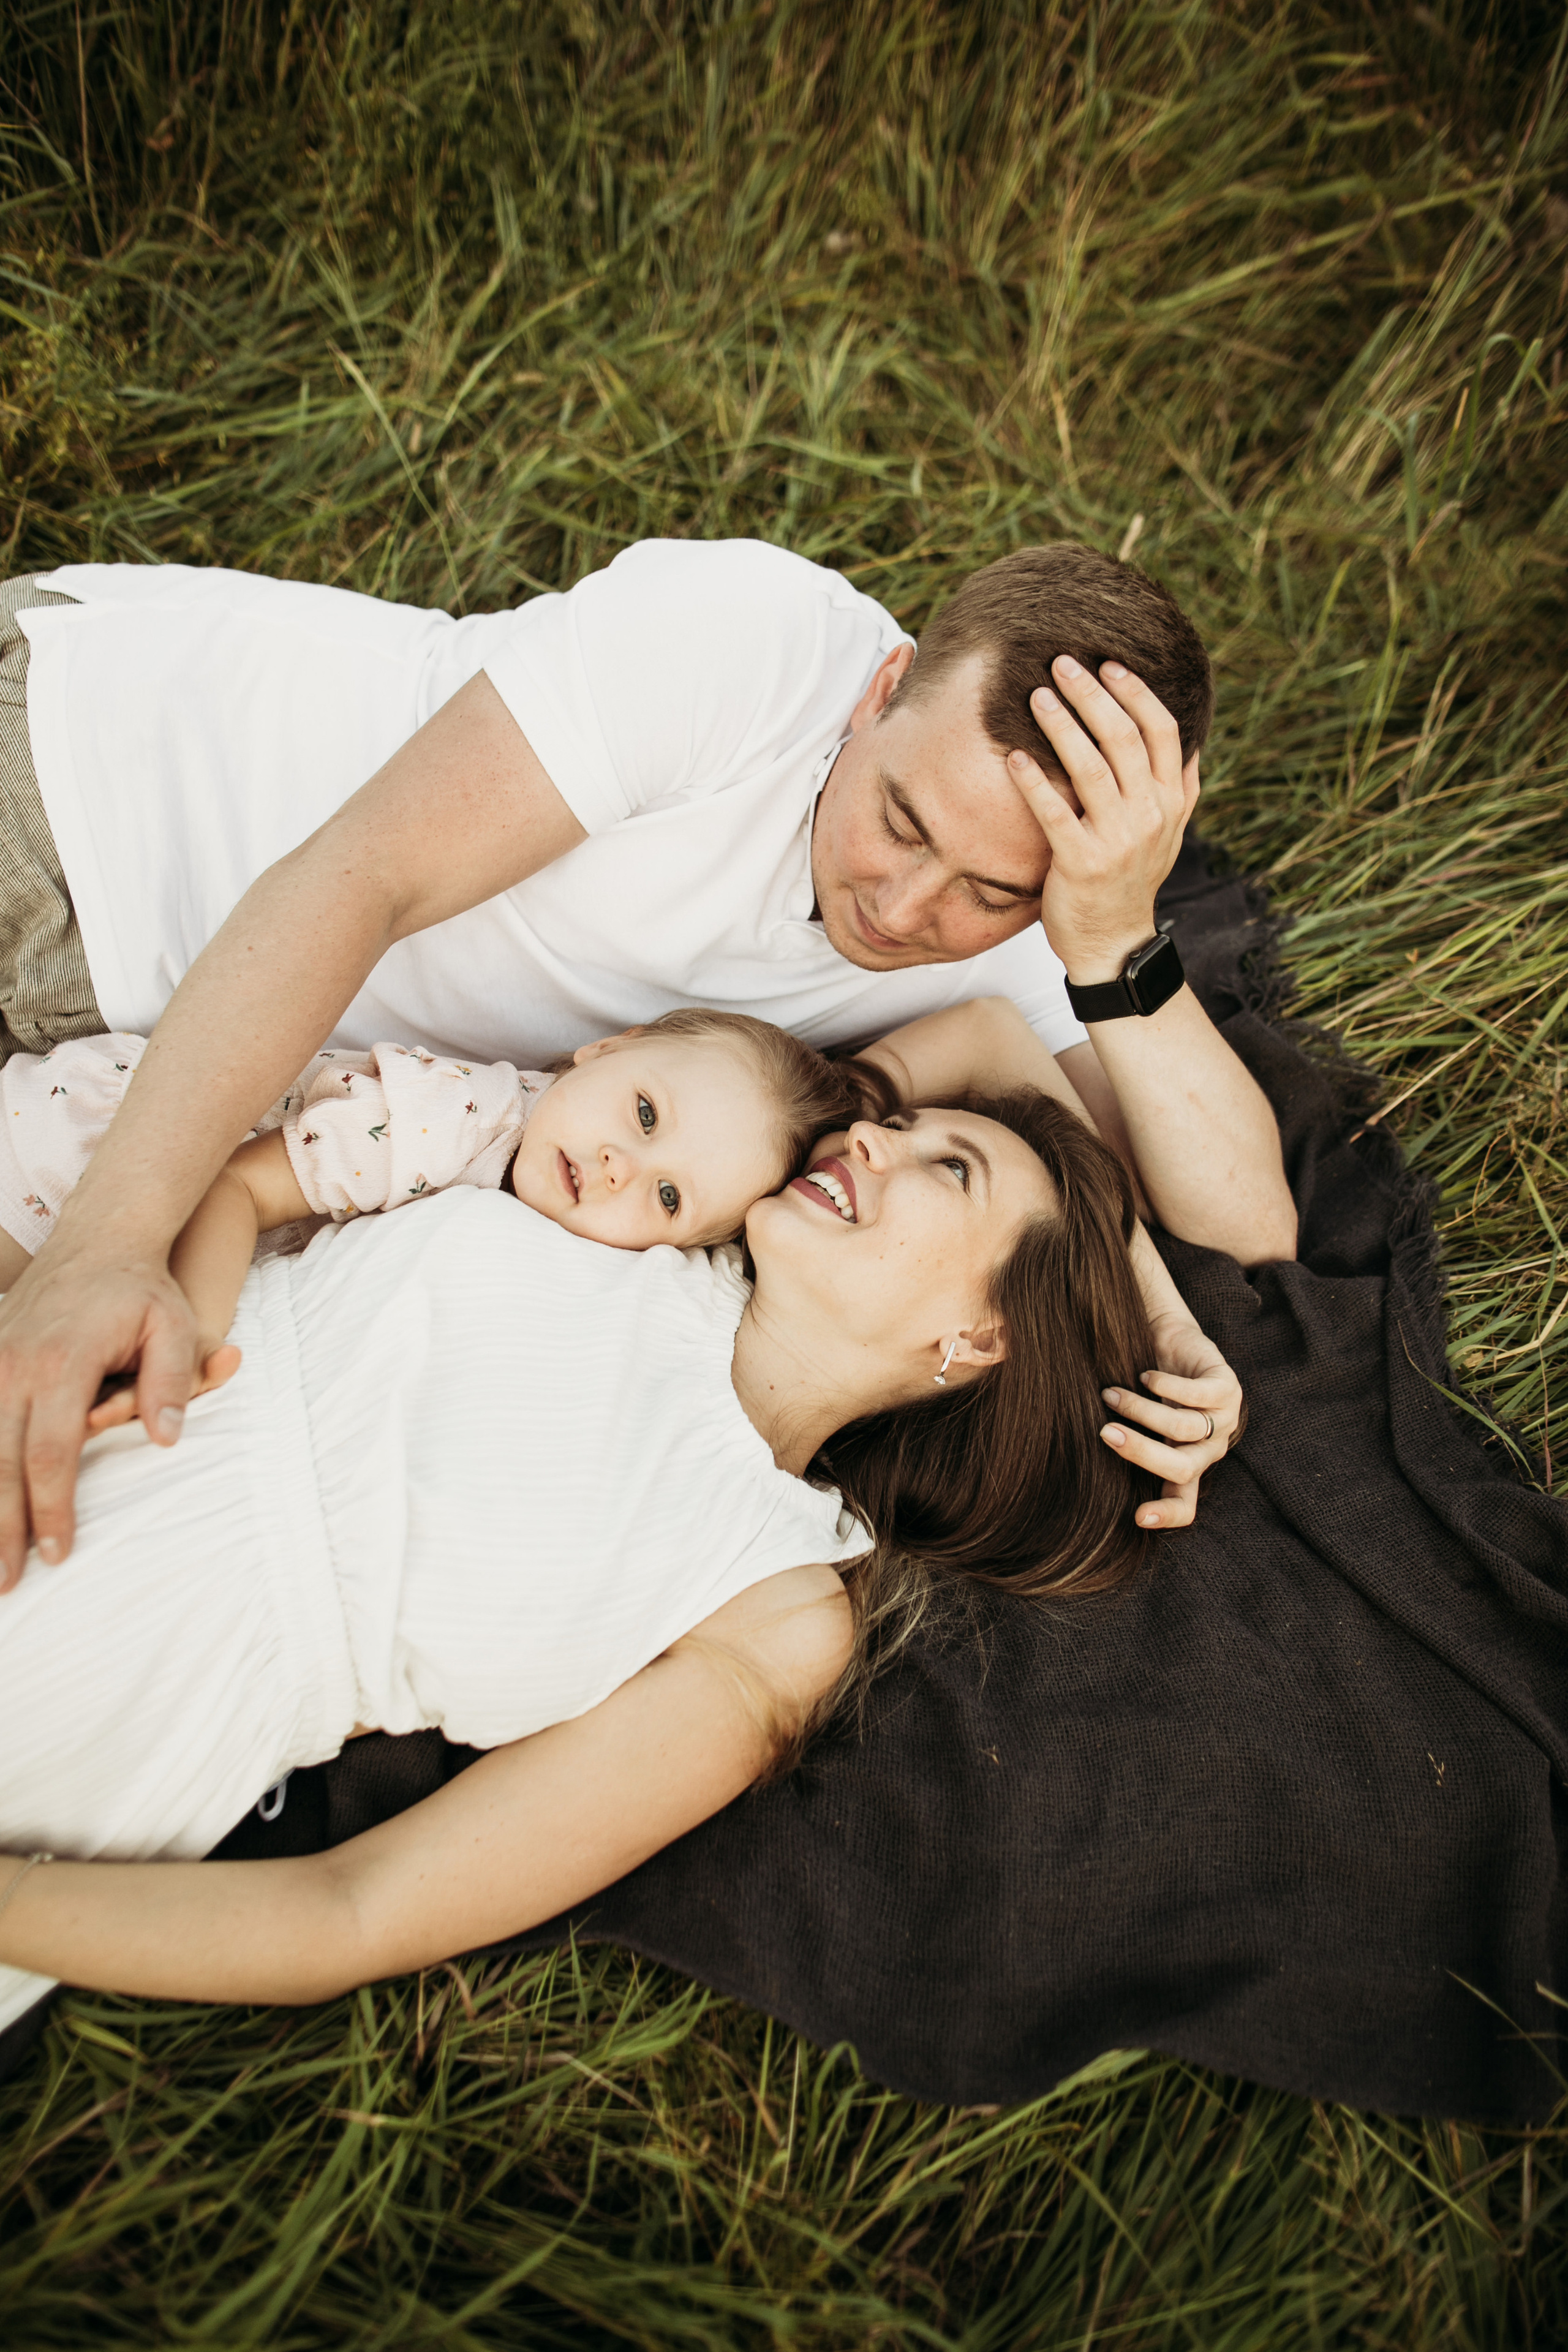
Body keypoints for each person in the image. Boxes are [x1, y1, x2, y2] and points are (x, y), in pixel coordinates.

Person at [0, 543, 1294, 1574]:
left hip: (168, 1069)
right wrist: (108, 1247)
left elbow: (1233, 1219)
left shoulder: (1025, 925)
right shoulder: (750, 641)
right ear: (880, 693)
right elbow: (361, 882)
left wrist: (1115, 941)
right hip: (81, 803)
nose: (905, 910)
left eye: (987, 891)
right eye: (897, 821)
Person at [0, 1074, 1256, 2036]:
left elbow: (360, 1911)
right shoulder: (616, 1188)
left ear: (978, 1339)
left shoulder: (773, 1614)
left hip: (111, 1715)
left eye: (951, 1166)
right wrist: (1172, 1322)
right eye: (897, 1122)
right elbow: (981, 1018)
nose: (871, 1136)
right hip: (72, 1414)